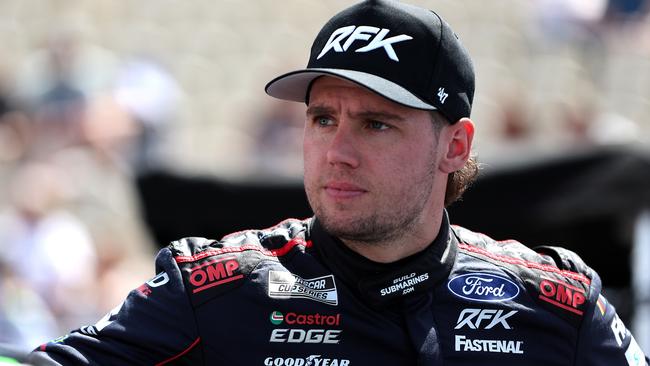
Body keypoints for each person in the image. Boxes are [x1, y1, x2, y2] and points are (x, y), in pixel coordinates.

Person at [28, 0, 648, 365]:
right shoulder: (211, 291)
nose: (338, 152)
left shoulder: (559, 307)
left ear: (454, 146)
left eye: (376, 125)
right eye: (323, 118)